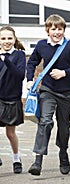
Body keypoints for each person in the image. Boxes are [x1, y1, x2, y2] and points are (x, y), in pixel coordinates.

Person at [26, 14, 70, 176]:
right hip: (48, 90)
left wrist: (64, 73)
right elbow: (31, 63)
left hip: (66, 93)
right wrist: (30, 80)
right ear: (48, 30)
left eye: (60, 29)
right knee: (45, 122)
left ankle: (63, 153)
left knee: (64, 125)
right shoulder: (41, 45)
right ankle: (37, 160)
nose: (57, 32)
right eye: (53, 29)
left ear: (64, 30)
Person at [0, 26, 26, 174]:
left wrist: (5, 59)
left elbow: (19, 75)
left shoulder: (19, 55)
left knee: (10, 133)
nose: (6, 41)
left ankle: (16, 158)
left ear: (14, 40)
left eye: (9, 38)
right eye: (3, 38)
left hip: (12, 99)